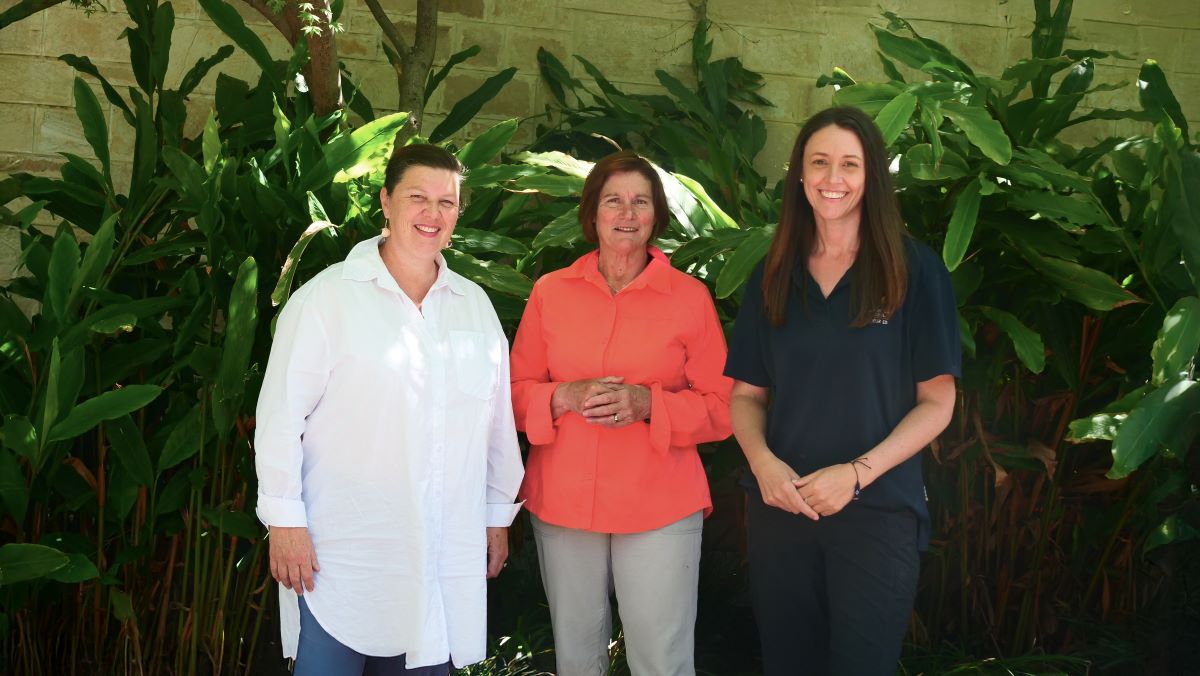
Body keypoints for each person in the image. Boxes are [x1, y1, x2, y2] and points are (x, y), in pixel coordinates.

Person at [254, 143, 524, 675]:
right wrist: (284, 521)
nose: (432, 214)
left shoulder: (474, 306)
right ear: (385, 201)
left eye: (446, 203)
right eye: (417, 197)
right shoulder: (326, 299)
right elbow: (280, 419)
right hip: (339, 555)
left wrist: (497, 515)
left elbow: (496, 425)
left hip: (442, 554)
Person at [725, 106, 961, 675]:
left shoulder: (914, 271)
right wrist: (763, 465)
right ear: (800, 175)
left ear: (871, 175)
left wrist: (856, 474)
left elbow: (938, 402)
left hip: (878, 513)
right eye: (820, 163)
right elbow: (745, 397)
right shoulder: (774, 273)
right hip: (784, 510)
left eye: (849, 164)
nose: (834, 179)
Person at [509, 150, 733, 676]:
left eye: (640, 201)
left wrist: (647, 403)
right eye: (614, 200)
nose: (627, 213)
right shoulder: (550, 293)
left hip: (659, 502)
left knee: (661, 659)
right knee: (576, 657)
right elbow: (512, 396)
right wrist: (563, 396)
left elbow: (724, 408)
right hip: (564, 501)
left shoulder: (689, 298)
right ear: (593, 214)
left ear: (657, 215)